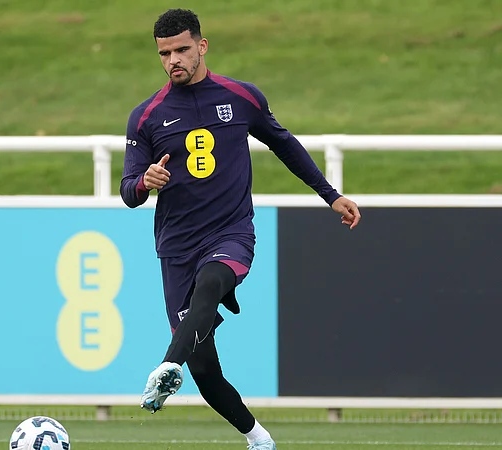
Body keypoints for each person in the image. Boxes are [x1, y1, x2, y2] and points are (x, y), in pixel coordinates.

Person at [119, 8, 361, 450]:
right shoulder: (146, 117)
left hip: (230, 233)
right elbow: (128, 191)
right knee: (206, 370)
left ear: (202, 46)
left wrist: (330, 194)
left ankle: (167, 364)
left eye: (181, 49)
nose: (173, 59)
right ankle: (259, 438)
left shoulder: (242, 97)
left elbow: (284, 144)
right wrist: (144, 182)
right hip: (176, 247)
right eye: (164, 53)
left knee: (211, 282)